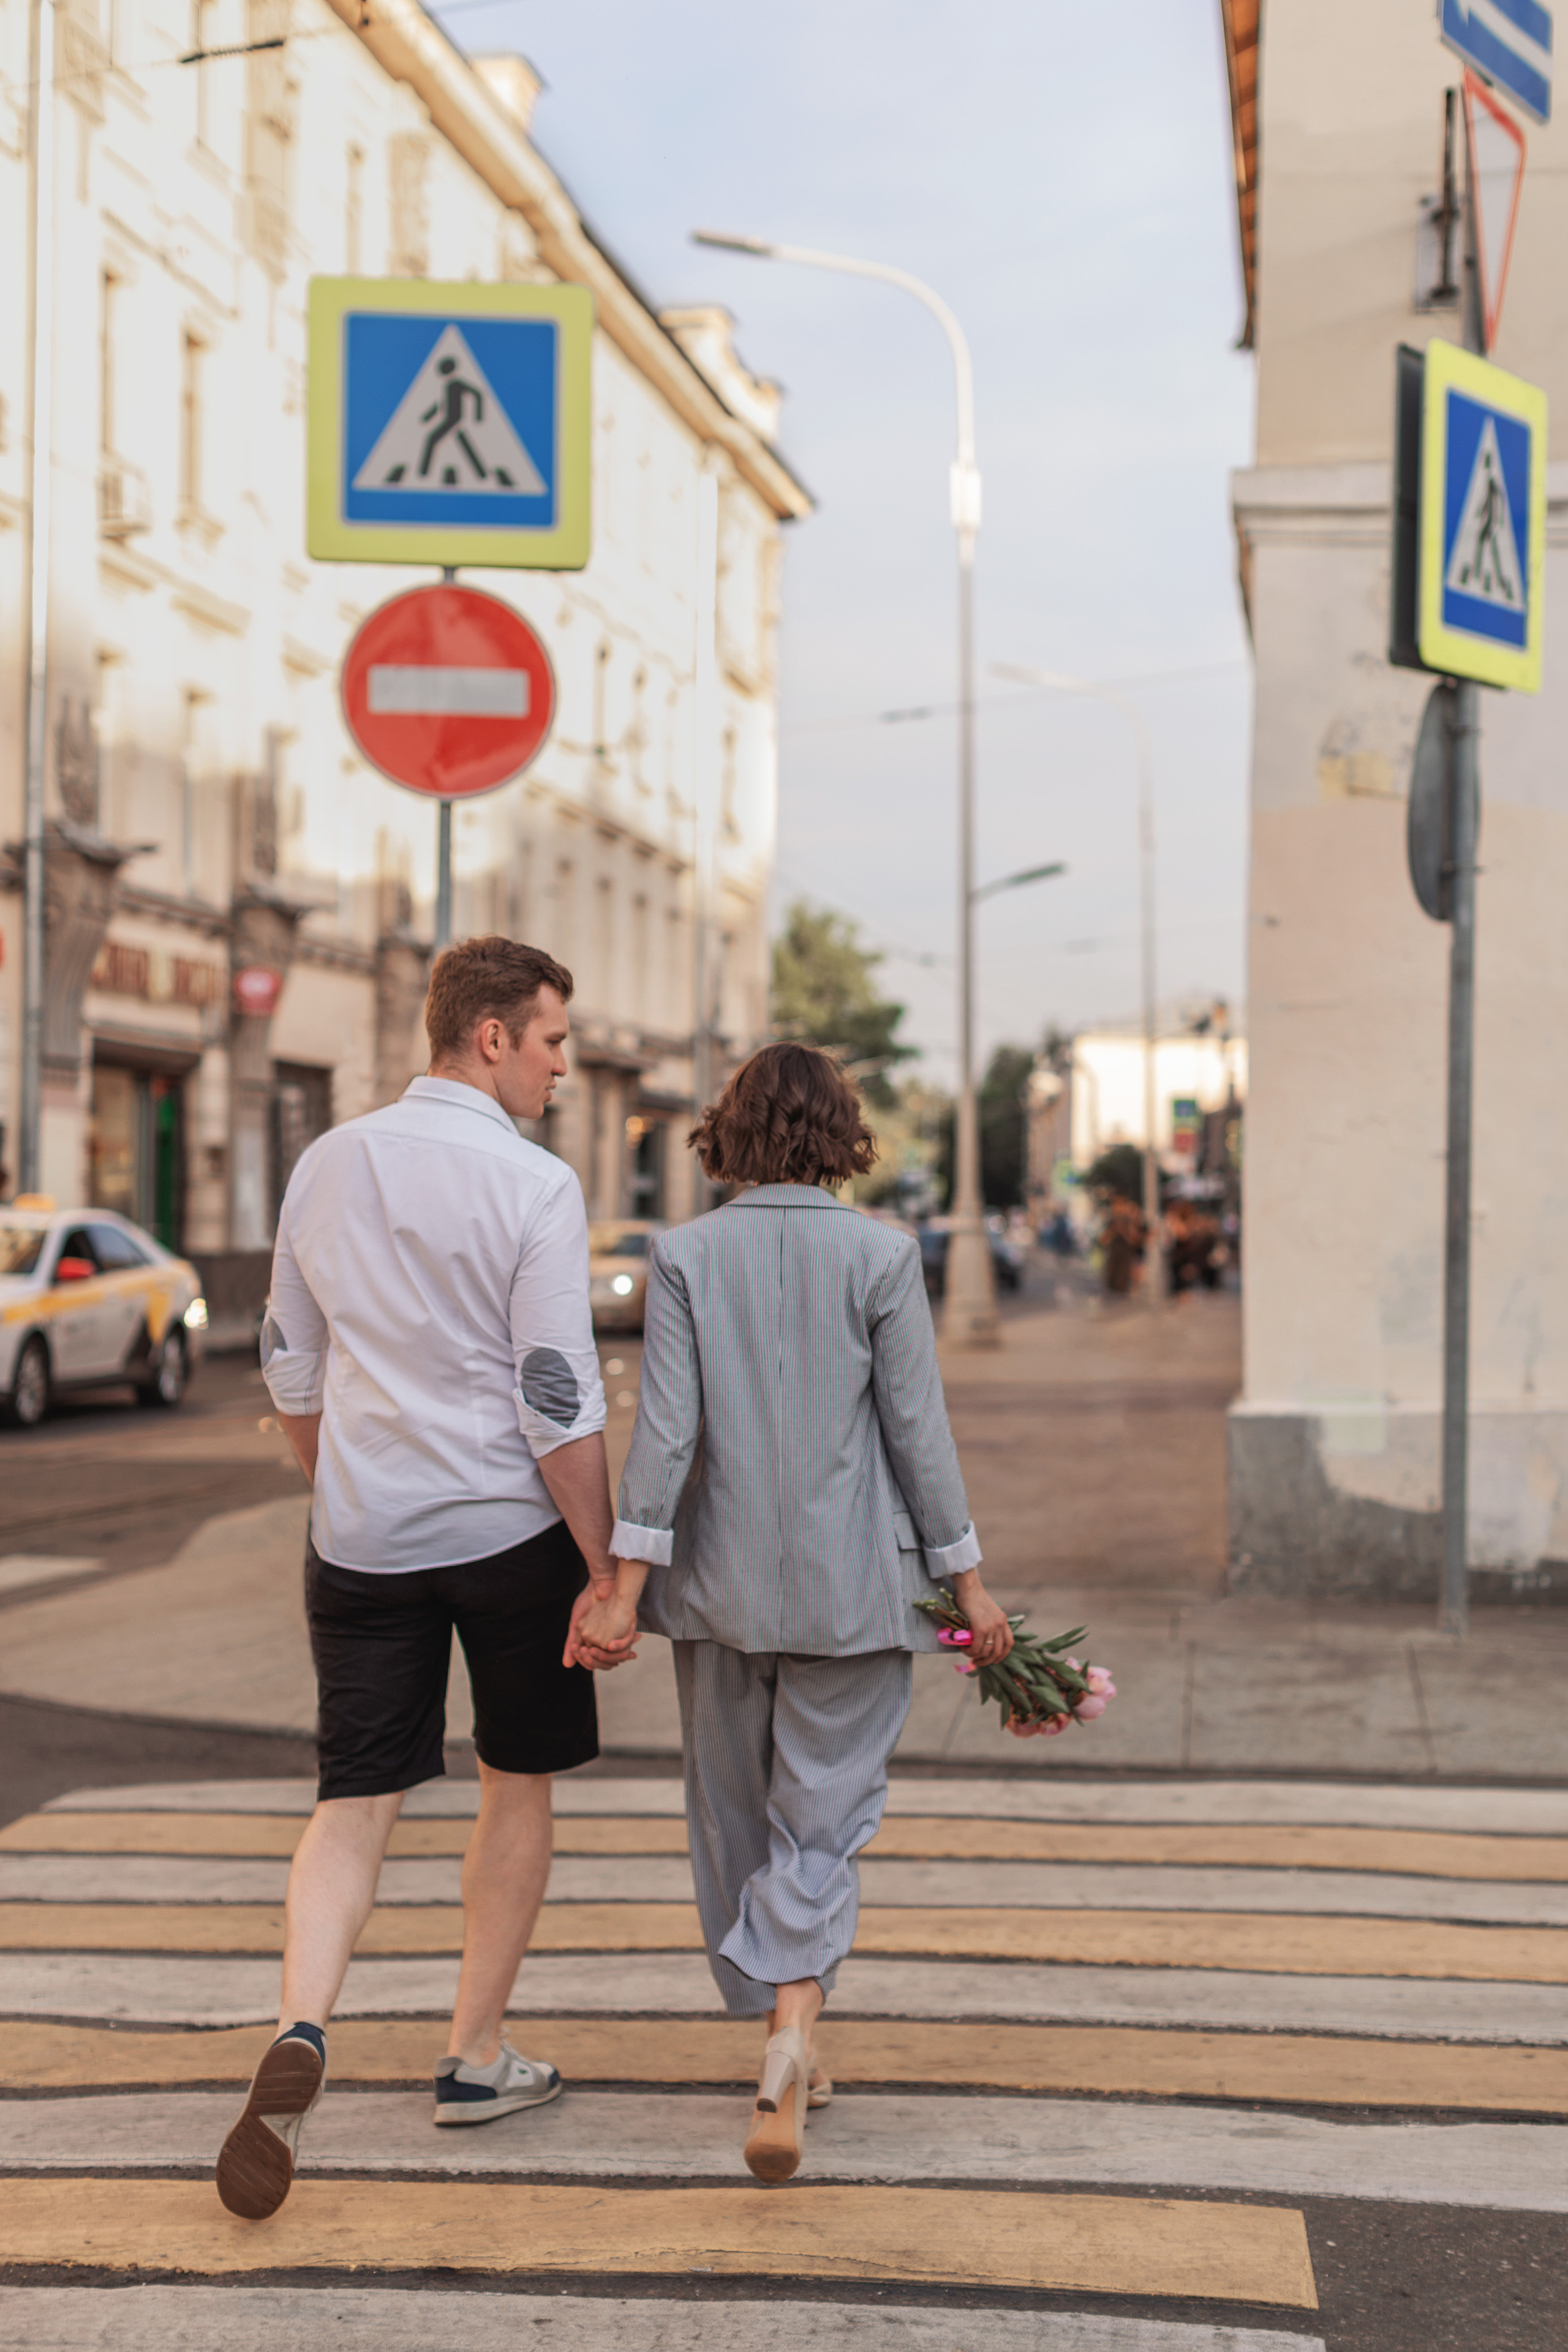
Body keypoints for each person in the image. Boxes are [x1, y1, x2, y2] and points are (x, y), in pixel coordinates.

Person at [216, 937, 617, 2221]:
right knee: (516, 1785)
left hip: (362, 1540)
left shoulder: (327, 1161)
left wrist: (345, 1482)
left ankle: (303, 2027)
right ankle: (475, 2055)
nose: (563, 1062)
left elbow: (290, 1360)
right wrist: (607, 1569)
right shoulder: (534, 1184)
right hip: (509, 1541)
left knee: (353, 1800)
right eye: (552, 1038)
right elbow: (555, 1399)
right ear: (489, 1037)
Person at [569, 1041, 1014, 2184]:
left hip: (714, 1592)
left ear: (730, 1128)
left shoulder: (684, 1256)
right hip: (856, 1592)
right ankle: (791, 2032)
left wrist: (623, 1586)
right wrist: (966, 1581)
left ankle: (783, 2023)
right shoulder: (882, 1254)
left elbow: (664, 1437)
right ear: (840, 1133)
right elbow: (917, 1434)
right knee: (823, 1815)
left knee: (730, 1812)